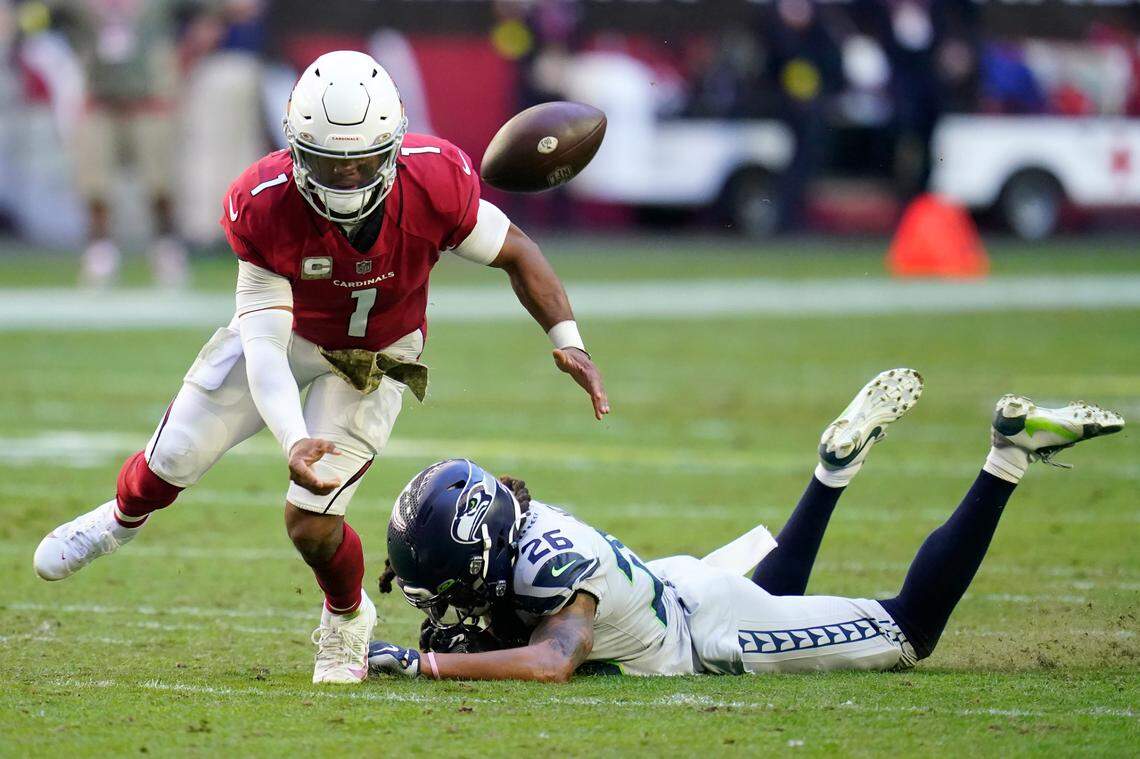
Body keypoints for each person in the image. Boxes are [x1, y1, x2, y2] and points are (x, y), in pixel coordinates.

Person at [32, 51, 610, 685]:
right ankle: (118, 521)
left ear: (393, 145)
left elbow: (516, 251)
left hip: (376, 355)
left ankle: (345, 617)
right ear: (295, 149)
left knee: (309, 521)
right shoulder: (263, 203)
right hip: (291, 338)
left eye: (362, 162)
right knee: (172, 459)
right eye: (329, 164)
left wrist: (568, 337)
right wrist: (291, 436)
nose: (347, 179)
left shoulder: (434, 180)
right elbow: (264, 350)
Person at [367, 369, 1123, 680]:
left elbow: (552, 660)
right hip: (680, 585)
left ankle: (1007, 453)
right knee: (775, 597)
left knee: (910, 629)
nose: (436, 601)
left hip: (706, 631)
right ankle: (832, 471)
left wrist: (428, 664)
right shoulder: (520, 522)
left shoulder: (545, 571)